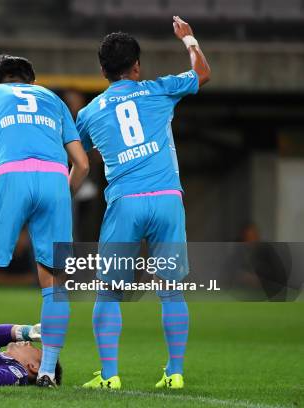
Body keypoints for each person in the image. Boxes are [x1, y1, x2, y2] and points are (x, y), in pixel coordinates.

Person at [75, 16, 211, 390]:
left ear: (103, 70)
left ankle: (109, 376)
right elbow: (202, 73)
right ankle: (176, 372)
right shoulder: (158, 90)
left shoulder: (88, 113)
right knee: (171, 289)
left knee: (108, 290)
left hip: (126, 202)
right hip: (168, 199)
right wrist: (189, 40)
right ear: (136, 66)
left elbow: (78, 157)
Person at [0, 54, 89, 387]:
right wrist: (58, 197)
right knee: (53, 284)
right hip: (55, 179)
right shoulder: (53, 100)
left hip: (8, 176)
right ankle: (47, 373)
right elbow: (82, 164)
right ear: (32, 80)